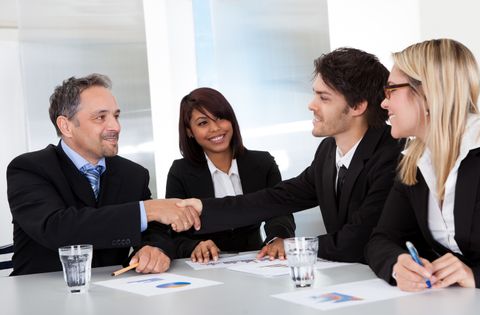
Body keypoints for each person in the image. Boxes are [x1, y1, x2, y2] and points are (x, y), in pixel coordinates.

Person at [178, 48, 403, 263]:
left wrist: (293, 246)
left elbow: (356, 241)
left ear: (358, 106)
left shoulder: (392, 155)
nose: (311, 105)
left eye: (324, 98)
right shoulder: (328, 150)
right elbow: (279, 197)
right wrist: (203, 208)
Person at [365, 38, 480, 297]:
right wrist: (398, 264)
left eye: (391, 90)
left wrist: (478, 276)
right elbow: (381, 239)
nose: (384, 103)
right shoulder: (413, 165)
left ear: (427, 92)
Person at [6, 74, 199, 275]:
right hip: (38, 296)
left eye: (116, 116)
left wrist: (153, 248)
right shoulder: (29, 168)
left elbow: (154, 230)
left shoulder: (133, 174)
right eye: (100, 117)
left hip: (115, 292)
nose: (116, 127)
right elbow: (57, 228)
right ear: (66, 126)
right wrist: (147, 210)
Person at [165, 87, 295, 263]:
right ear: (189, 131)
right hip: (206, 266)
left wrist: (278, 238)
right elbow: (172, 231)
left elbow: (279, 211)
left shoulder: (263, 163)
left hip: (257, 261)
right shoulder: (180, 172)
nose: (215, 128)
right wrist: (193, 246)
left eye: (220, 118)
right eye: (203, 123)